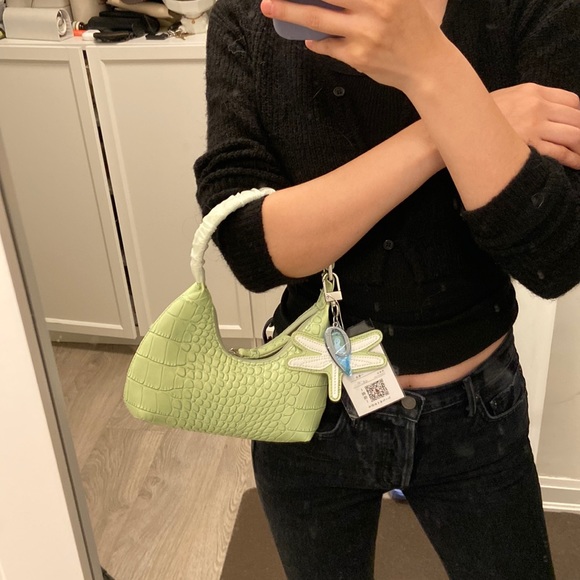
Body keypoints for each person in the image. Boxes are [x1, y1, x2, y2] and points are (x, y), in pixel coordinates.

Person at [194, 0, 580, 578]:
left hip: (478, 411)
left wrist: (432, 63)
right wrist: (458, 119)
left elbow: (553, 260)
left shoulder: (534, 9)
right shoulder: (253, 14)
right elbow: (254, 249)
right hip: (309, 402)